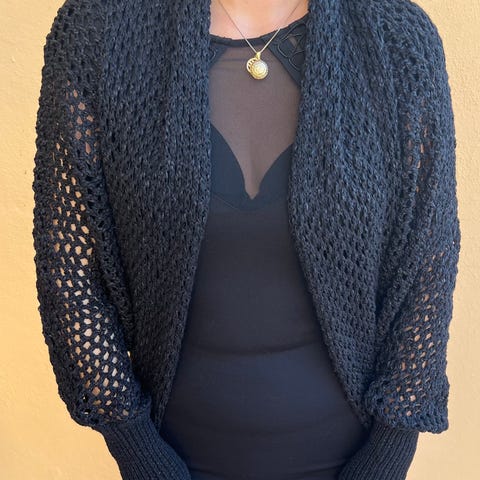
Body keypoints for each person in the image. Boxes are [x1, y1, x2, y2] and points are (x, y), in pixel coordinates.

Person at [31, 0, 461, 479]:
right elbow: (68, 261)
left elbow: (428, 257)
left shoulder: (395, 39)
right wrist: (134, 446)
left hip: (350, 459)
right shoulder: (100, 31)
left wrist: (389, 452)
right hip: (170, 458)